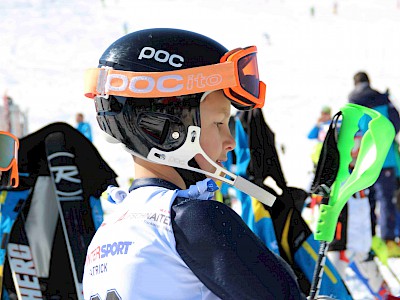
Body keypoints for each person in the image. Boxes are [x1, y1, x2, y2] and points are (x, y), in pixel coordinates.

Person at [81, 28, 319, 300]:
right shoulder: (194, 218)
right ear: (164, 129)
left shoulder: (107, 233)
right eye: (219, 123)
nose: (229, 141)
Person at [348, 71, 400, 257]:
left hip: (365, 160)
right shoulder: (382, 99)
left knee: (367, 200)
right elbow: (396, 123)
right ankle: (388, 241)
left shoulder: (352, 102)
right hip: (385, 158)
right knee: (386, 200)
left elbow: (349, 130)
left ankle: (369, 241)